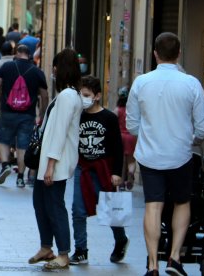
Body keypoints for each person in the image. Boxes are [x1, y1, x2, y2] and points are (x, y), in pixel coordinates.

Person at [126, 32, 204, 276]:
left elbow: (132, 125)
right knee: (182, 202)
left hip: (150, 155)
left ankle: (153, 265)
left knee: (153, 205)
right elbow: (203, 127)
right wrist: (190, 139)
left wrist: (150, 135)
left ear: (155, 54)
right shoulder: (191, 83)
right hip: (180, 155)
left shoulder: (141, 83)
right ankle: (174, 258)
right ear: (179, 54)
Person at [29, 49, 82, 269]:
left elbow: (60, 133)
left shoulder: (68, 96)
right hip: (49, 160)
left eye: (55, 65)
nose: (52, 70)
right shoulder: (66, 96)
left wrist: (50, 165)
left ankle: (63, 252)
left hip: (56, 161)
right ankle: (46, 246)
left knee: (54, 205)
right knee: (40, 202)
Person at [70, 75, 128, 266]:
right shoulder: (77, 115)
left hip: (104, 168)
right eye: (80, 94)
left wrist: (117, 172)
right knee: (78, 210)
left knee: (110, 210)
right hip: (83, 168)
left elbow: (117, 147)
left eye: (86, 95)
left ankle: (121, 240)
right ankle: (81, 250)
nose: (83, 98)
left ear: (97, 96)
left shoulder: (109, 118)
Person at [0, 44, 49, 188]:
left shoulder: (7, 67)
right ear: (29, 55)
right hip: (27, 114)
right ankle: (21, 178)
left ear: (16, 53)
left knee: (3, 139)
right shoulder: (37, 72)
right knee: (22, 145)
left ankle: (5, 165)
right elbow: (44, 95)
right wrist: (42, 113)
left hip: (7, 111)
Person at [115, 86, 137, 190]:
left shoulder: (117, 110)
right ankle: (131, 173)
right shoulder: (132, 110)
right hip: (131, 136)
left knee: (121, 160)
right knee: (131, 160)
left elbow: (113, 123)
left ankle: (122, 182)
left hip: (120, 136)